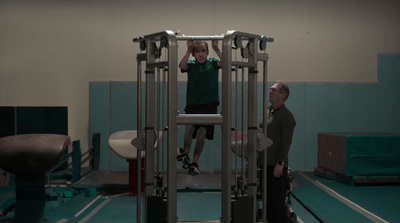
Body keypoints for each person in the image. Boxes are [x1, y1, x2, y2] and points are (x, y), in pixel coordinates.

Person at [178, 40, 222, 176]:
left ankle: (195, 162)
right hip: (193, 105)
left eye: (203, 51)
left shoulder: (213, 62)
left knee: (202, 134)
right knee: (189, 130)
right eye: (197, 52)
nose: (201, 54)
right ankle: (185, 154)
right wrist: (188, 50)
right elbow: (181, 65)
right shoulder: (191, 64)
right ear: (193, 54)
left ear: (207, 52)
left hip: (209, 105)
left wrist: (217, 48)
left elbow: (226, 63)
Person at [260, 81, 296, 222]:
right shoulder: (267, 112)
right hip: (264, 164)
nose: (270, 91)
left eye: (273, 89)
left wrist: (280, 163)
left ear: (282, 95)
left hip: (276, 167)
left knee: (277, 203)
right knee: (267, 201)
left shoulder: (286, 116)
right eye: (270, 89)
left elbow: (287, 142)